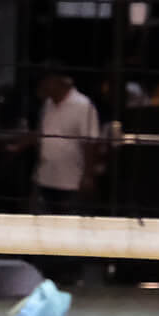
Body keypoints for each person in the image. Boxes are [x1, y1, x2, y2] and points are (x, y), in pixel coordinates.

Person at [29, 65, 103, 213]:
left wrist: (88, 176)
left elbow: (90, 142)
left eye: (44, 81)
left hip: (71, 183)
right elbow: (42, 134)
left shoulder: (83, 105)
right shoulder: (47, 104)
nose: (42, 86)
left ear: (56, 81)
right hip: (44, 178)